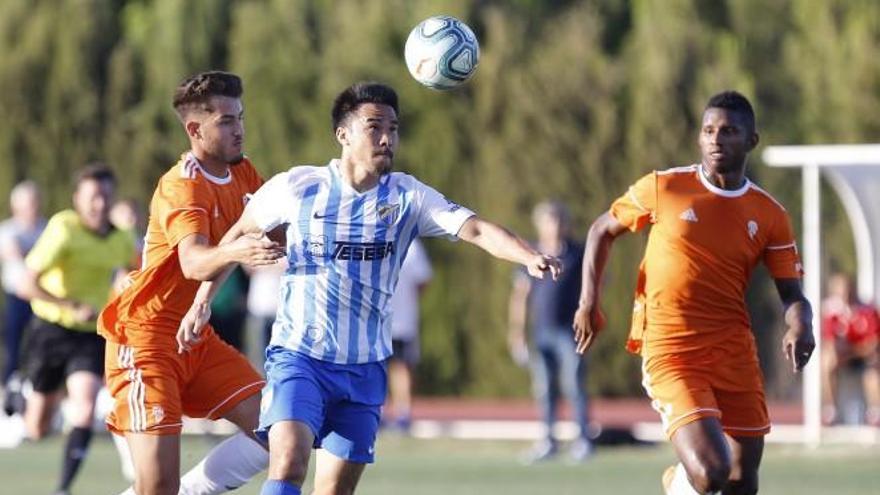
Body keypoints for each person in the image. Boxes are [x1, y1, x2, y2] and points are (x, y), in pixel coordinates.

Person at [177, 81, 562, 495]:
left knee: (335, 491)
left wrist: (528, 255)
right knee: (288, 461)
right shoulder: (297, 188)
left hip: (364, 368)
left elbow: (477, 228)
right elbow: (234, 239)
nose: (386, 137)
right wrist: (202, 302)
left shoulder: (407, 197)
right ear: (343, 134)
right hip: (300, 358)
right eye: (374, 126)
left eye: (393, 128)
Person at [573, 91, 815, 495]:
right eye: (708, 131)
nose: (716, 140)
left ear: (751, 141)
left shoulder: (769, 214)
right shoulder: (665, 187)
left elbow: (792, 292)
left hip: (733, 349)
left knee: (742, 481)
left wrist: (801, 326)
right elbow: (601, 230)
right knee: (710, 471)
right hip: (671, 347)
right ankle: (678, 483)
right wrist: (588, 303)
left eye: (729, 131)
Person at [97, 71, 284, 495]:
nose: (239, 129)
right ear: (195, 129)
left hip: (195, 339)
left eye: (240, 117)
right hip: (145, 340)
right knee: (156, 487)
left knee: (282, 430)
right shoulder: (182, 186)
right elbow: (194, 262)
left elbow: (281, 231)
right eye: (226, 121)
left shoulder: (244, 174)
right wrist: (237, 252)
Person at [17, 165, 135, 495]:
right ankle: (20, 393)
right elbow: (26, 284)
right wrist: (69, 304)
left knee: (84, 404)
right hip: (50, 330)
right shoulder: (63, 228)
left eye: (106, 196)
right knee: (37, 428)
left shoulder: (121, 238)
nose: (100, 204)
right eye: (93, 197)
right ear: (78, 200)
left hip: (89, 334)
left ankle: (63, 488)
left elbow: (136, 273)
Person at [508, 200, 591, 463]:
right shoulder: (530, 253)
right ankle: (548, 441)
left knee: (574, 385)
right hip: (541, 332)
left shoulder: (577, 253)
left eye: (557, 221)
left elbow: (593, 287)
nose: (553, 227)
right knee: (544, 388)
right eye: (548, 221)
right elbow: (520, 295)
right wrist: (516, 332)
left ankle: (582, 440)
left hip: (570, 331)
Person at [0, 180, 46, 416]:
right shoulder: (8, 230)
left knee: (39, 349)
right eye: (27, 203)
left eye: (35, 202)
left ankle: (32, 401)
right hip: (17, 299)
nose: (32, 207)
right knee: (13, 349)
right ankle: (6, 398)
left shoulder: (47, 228)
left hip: (43, 300)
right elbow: (16, 255)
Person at [385, 237, 432, 432]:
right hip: (386, 318)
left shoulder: (411, 246)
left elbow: (423, 280)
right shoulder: (412, 246)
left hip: (399, 319)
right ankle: (387, 412)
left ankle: (402, 413)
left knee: (400, 366)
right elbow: (423, 282)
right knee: (387, 367)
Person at [820, 273, 880, 426]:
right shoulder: (831, 312)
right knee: (827, 361)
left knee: (874, 364)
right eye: (840, 290)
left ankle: (875, 413)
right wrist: (852, 351)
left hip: (863, 359)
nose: (845, 293)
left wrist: (852, 351)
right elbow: (830, 344)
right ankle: (831, 411)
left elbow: (873, 344)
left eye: (847, 289)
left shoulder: (867, 310)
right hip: (844, 359)